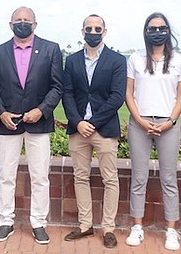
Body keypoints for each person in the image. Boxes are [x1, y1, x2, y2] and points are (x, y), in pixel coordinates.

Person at [0, 6, 63, 244]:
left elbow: (57, 86)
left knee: (40, 176)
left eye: (26, 20)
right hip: (8, 124)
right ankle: (5, 221)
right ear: (10, 25)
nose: (22, 23)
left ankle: (39, 222)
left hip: (38, 123)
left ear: (35, 24)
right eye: (17, 20)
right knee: (5, 175)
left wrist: (41, 110)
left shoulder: (51, 49)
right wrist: (1, 113)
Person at [124, 12, 181, 251]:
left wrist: (170, 121)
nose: (157, 31)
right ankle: (137, 226)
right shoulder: (135, 59)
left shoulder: (179, 61)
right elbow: (129, 93)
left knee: (169, 179)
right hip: (140, 124)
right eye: (152, 28)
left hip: (168, 125)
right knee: (139, 178)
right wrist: (139, 120)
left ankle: (171, 230)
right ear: (146, 31)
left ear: (168, 31)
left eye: (161, 28)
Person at [61, 14, 126, 248]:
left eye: (98, 28)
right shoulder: (72, 60)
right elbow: (67, 93)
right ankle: (85, 225)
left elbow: (117, 96)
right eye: (89, 28)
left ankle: (108, 228)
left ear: (105, 32)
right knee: (81, 177)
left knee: (110, 179)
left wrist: (93, 122)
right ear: (82, 32)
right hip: (78, 129)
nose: (93, 31)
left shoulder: (117, 60)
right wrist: (78, 121)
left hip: (104, 128)